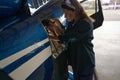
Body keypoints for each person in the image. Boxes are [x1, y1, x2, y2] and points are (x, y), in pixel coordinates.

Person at [58, 0, 95, 80]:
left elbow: (67, 38)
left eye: (66, 13)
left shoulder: (85, 24)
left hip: (85, 63)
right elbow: (66, 35)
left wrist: (54, 36)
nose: (65, 16)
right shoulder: (73, 22)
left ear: (75, 10)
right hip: (77, 62)